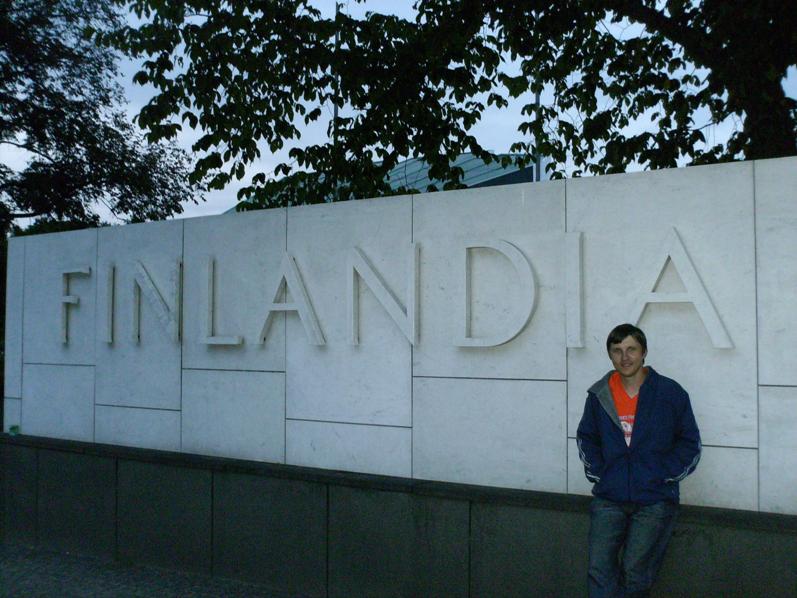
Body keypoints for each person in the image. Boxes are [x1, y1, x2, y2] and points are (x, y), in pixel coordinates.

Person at [577, 323, 701, 598]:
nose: (625, 357)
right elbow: (587, 437)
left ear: (644, 352)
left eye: (631, 349)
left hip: (654, 501)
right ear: (610, 355)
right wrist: (600, 474)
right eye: (617, 350)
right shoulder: (599, 395)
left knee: (636, 574)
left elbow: (689, 442)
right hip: (609, 498)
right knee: (599, 571)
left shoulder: (670, 393)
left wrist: (663, 475)